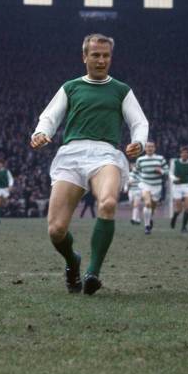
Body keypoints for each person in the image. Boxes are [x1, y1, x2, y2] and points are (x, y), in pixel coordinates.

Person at [30, 33, 148, 295]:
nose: (101, 60)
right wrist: (41, 133)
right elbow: (50, 115)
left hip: (106, 154)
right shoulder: (71, 87)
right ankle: (73, 261)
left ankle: (93, 273)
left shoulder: (121, 90)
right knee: (56, 230)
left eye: (106, 55)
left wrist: (138, 142)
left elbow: (139, 122)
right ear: (84, 57)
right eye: (95, 55)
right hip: (71, 155)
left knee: (107, 203)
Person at [135, 141, 168, 235]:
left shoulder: (160, 159)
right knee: (147, 204)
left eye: (152, 147)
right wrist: (132, 180)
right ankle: (147, 226)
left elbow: (166, 171)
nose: (150, 148)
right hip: (145, 184)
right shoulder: (140, 160)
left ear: (155, 148)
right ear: (145, 148)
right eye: (148, 147)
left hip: (156, 186)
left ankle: (149, 219)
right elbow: (135, 172)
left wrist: (160, 171)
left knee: (152, 207)